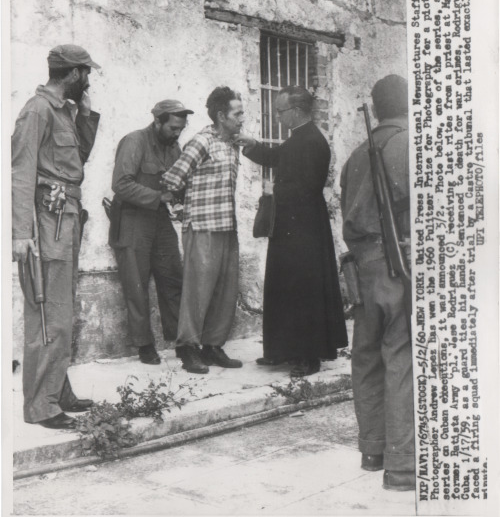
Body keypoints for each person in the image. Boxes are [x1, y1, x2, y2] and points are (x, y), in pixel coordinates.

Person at [12, 44, 101, 430]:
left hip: (65, 218)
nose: (89, 80)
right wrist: (19, 234)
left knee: (62, 310)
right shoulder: (38, 110)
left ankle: (57, 390)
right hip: (47, 222)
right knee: (49, 314)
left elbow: (78, 160)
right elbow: (20, 173)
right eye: (86, 73)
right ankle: (42, 406)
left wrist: (85, 112)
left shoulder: (64, 111)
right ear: (71, 73)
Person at [237, 86, 348, 377]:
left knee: (303, 290)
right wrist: (250, 144)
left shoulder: (311, 141)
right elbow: (278, 157)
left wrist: (277, 191)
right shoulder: (300, 137)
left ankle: (308, 356)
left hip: (305, 228)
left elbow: (308, 188)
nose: (278, 116)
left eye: (281, 110)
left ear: (296, 111)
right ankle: (282, 350)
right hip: (291, 226)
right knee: (284, 287)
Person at [340, 74, 414, 491]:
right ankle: (402, 468)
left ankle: (374, 450)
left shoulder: (356, 154)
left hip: (362, 266)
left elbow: (346, 207)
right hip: (399, 263)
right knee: (400, 357)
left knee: (366, 357)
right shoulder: (412, 145)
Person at [162, 86, 244, 374]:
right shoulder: (201, 142)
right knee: (198, 291)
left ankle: (212, 346)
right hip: (202, 227)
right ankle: (188, 348)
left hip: (226, 226)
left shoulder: (233, 143)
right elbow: (172, 180)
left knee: (224, 291)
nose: (241, 118)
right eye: (238, 113)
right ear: (221, 116)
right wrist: (183, 210)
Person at [110, 100, 193, 364]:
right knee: (136, 285)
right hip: (132, 219)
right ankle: (144, 345)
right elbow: (121, 184)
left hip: (159, 219)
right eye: (172, 128)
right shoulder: (134, 141)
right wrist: (160, 196)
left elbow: (176, 183)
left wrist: (179, 198)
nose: (177, 133)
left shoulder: (174, 147)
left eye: (181, 128)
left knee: (173, 278)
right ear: (157, 122)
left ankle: (183, 343)